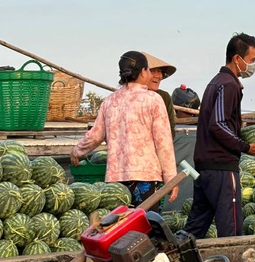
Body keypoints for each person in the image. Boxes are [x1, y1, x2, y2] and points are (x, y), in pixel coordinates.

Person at [70, 51, 178, 211]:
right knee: (144, 223)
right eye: (149, 70)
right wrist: (171, 179)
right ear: (143, 72)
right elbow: (163, 143)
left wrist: (77, 151)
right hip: (145, 176)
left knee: (119, 223)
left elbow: (95, 136)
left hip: (116, 181)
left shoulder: (109, 101)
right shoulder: (153, 100)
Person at [184, 33, 255, 239]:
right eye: (252, 60)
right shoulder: (229, 84)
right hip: (221, 167)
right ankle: (232, 260)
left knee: (195, 227)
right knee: (231, 228)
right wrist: (244, 146)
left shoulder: (216, 82)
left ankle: (177, 257)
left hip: (205, 166)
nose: (252, 66)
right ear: (237, 58)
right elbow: (218, 124)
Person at [143, 52, 177, 137]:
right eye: (152, 71)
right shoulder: (126, 98)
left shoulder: (164, 97)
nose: (158, 76)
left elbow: (170, 128)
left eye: (159, 71)